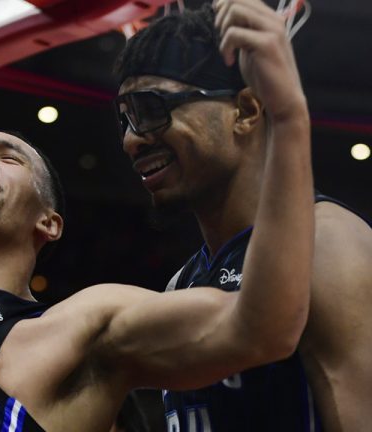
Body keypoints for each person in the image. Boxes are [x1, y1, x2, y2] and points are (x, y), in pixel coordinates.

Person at [0, 6, 314, 424]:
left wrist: (288, 116)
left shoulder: (87, 324)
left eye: (9, 157)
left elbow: (263, 328)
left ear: (49, 222)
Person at [115, 1, 372, 430]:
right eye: (124, 118)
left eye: (151, 109)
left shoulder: (330, 246)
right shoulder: (181, 283)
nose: (130, 140)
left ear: (248, 111)